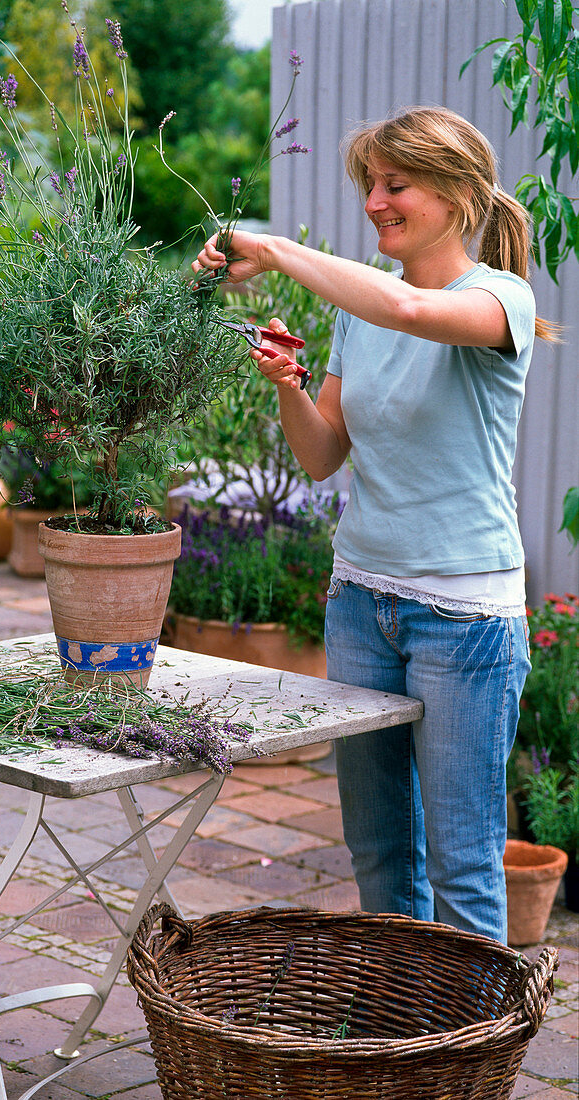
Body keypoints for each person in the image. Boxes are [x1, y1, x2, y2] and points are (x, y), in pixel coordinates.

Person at [194, 105, 557, 944]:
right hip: (360, 602)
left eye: (395, 184)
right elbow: (323, 457)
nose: (375, 201)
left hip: (464, 619)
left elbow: (416, 314)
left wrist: (276, 248)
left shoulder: (498, 298)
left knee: (462, 859)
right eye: (369, 185)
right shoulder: (363, 309)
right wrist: (289, 383)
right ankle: (405, 1030)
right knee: (380, 851)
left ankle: (464, 1054)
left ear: (459, 193)